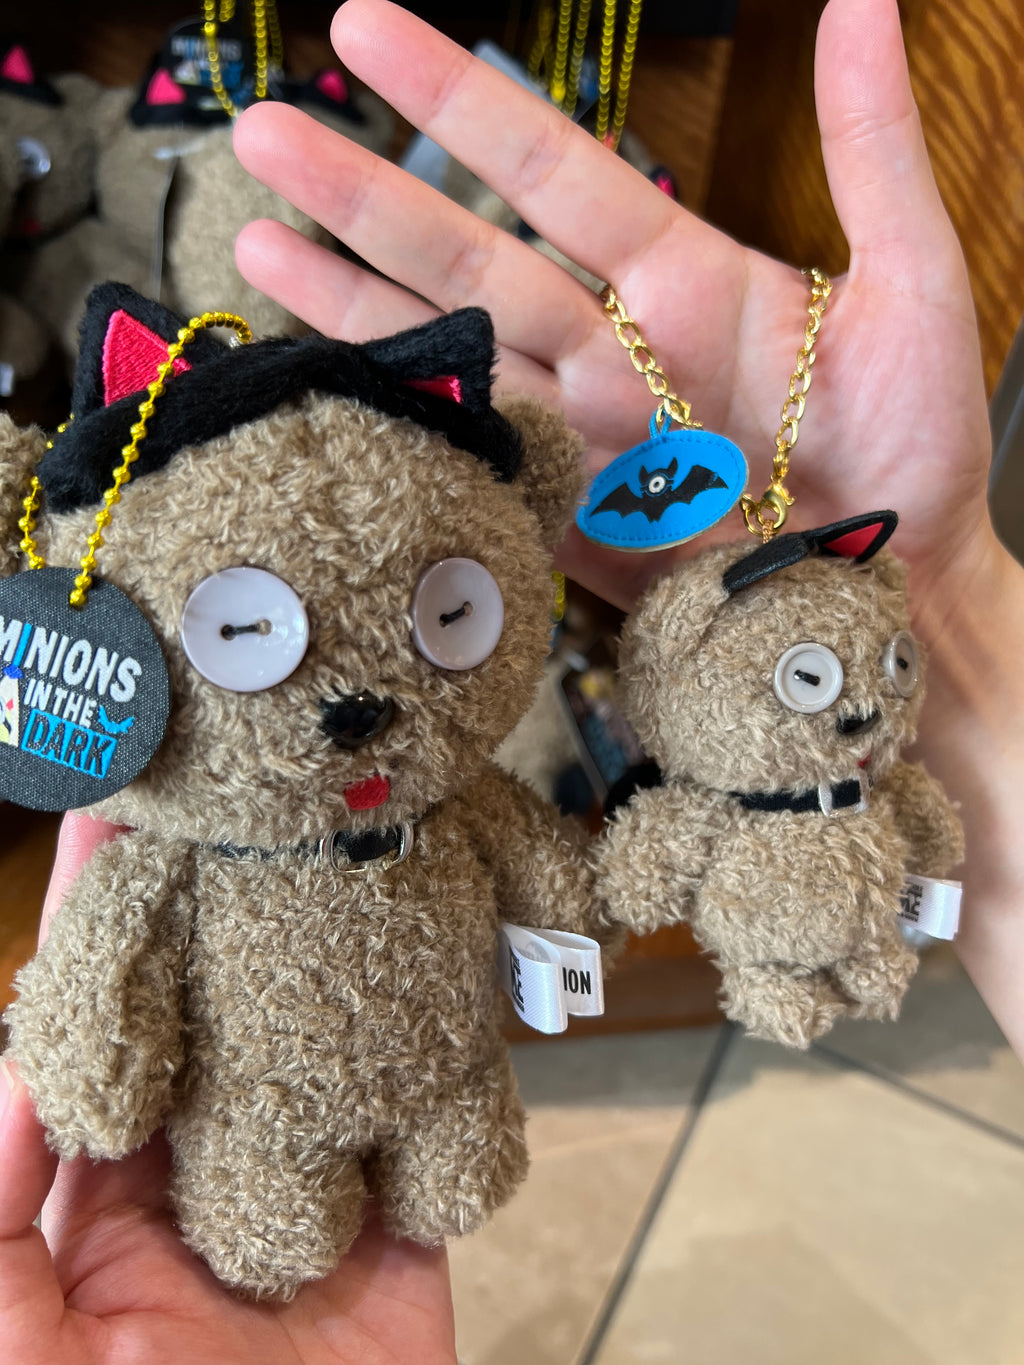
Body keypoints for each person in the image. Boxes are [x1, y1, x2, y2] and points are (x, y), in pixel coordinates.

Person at [1, 0, 1021, 1357]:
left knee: (462, 1157)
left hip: (454, 1077)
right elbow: (109, 943)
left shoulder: (457, 798)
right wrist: (87, 1051)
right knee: (263, 1207)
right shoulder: (180, 850)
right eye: (246, 634)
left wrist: (941, 615)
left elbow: (549, 866)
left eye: (445, 616)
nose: (357, 704)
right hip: (256, 1108)